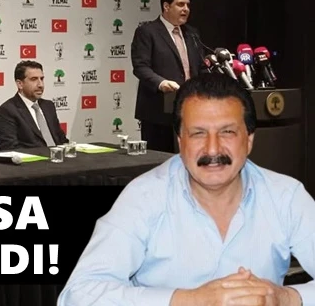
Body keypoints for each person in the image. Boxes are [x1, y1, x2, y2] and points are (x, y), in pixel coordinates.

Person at [58, 74, 315, 306]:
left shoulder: (285, 196)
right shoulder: (144, 197)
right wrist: (188, 300)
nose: (212, 149)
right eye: (198, 133)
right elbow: (78, 295)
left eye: (227, 132)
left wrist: (287, 298)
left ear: (249, 140)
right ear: (180, 142)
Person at [131, 0, 206, 153]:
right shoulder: (147, 32)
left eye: (188, 5)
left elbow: (200, 67)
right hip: (158, 110)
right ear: (166, 6)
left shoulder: (192, 33)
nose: (186, 9)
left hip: (190, 110)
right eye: (180, 4)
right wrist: (161, 83)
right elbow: (140, 67)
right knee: (161, 160)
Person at [0, 60, 68, 150]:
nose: (40, 85)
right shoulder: (7, 111)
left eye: (41, 79)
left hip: (59, 156)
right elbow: (11, 148)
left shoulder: (48, 106)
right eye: (34, 79)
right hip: (34, 158)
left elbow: (61, 139)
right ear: (20, 84)